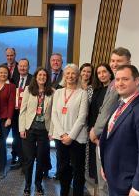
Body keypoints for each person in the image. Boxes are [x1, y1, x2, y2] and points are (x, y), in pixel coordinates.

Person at [89, 47, 139, 196]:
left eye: (119, 61)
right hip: (105, 139)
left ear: (129, 63)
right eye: (112, 61)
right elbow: (106, 109)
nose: (114, 64)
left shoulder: (133, 83)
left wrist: (95, 131)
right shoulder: (114, 81)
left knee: (112, 185)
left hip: (117, 141)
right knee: (103, 183)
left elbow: (110, 111)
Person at [99, 65, 139, 196]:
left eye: (125, 79)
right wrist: (105, 166)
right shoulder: (119, 105)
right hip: (115, 178)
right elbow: (110, 139)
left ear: (136, 81)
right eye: (117, 79)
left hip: (130, 185)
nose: (120, 83)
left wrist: (138, 188)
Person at [51, 64, 88, 196]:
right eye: (68, 73)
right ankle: (64, 193)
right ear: (64, 76)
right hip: (60, 137)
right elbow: (54, 114)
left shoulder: (83, 94)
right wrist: (62, 134)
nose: (70, 76)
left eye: (73, 73)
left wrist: (70, 136)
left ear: (77, 76)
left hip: (77, 138)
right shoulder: (58, 92)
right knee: (63, 168)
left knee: (78, 171)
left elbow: (82, 117)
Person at [19, 67, 54, 196]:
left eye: (44, 75)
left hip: (44, 130)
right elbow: (22, 111)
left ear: (47, 78)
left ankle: (38, 185)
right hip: (29, 129)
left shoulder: (52, 92)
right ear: (36, 76)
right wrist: (21, 129)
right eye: (40, 75)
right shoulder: (29, 90)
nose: (42, 77)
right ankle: (27, 186)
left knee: (40, 159)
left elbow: (53, 114)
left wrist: (52, 131)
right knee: (28, 160)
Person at [87, 63, 114, 184]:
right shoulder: (96, 90)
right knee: (97, 168)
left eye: (104, 72)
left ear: (110, 73)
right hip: (94, 132)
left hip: (108, 133)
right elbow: (92, 112)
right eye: (99, 73)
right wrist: (91, 130)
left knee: (106, 167)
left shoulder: (114, 90)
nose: (101, 75)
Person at [0, 64, 16, 178]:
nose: (3, 74)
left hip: (4, 118)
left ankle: (2, 168)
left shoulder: (11, 86)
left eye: (5, 73)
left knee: (2, 142)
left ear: (8, 74)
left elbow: (11, 103)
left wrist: (9, 118)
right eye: (1, 72)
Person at [11, 58, 33, 170]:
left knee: (26, 138)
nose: (22, 68)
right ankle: (20, 159)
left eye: (25, 66)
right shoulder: (13, 78)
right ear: (17, 67)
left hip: (28, 113)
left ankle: (26, 162)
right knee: (16, 137)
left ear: (28, 67)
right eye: (20, 66)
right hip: (15, 113)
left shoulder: (33, 79)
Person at [49, 53, 64, 180]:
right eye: (53, 60)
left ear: (61, 62)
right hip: (46, 113)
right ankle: (44, 169)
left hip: (60, 114)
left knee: (59, 147)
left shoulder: (67, 75)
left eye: (58, 61)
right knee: (43, 145)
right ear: (50, 62)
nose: (55, 62)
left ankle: (60, 172)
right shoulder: (45, 75)